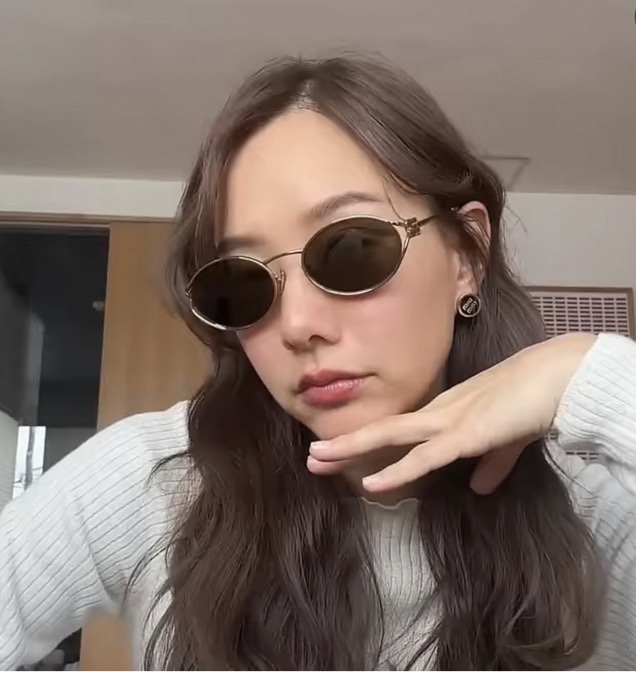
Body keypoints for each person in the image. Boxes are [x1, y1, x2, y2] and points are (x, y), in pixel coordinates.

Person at [1, 55, 636, 672]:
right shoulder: (155, 483)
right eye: (243, 283)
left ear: (466, 256)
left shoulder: (593, 505)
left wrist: (588, 373)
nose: (298, 325)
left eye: (352, 249)